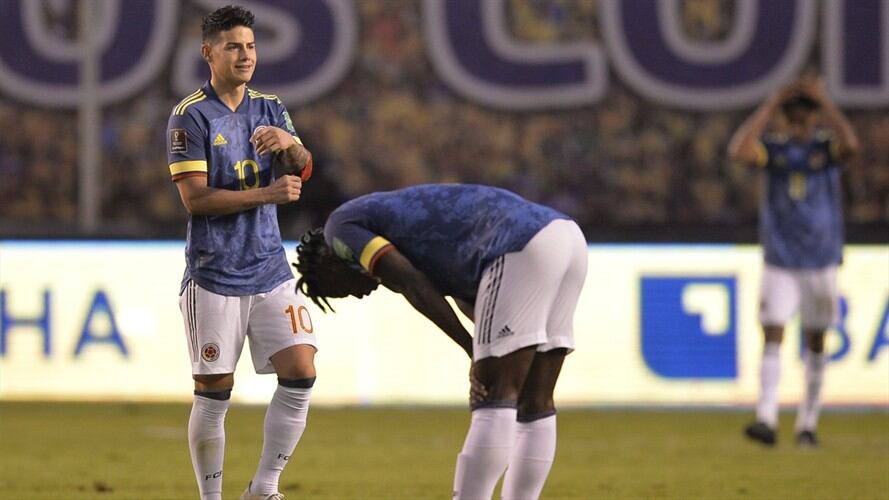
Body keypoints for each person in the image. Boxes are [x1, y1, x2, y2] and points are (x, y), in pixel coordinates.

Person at [294, 183, 588, 499]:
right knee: (535, 399)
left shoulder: (340, 228)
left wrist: (474, 349)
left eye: (340, 290)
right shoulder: (409, 234)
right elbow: (469, 294)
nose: (356, 294)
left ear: (326, 261)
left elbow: (412, 283)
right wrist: (497, 339)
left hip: (518, 244)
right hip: (567, 237)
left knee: (494, 393)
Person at [165, 5, 316, 499]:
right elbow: (196, 198)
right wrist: (267, 195)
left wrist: (290, 142)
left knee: (302, 371)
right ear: (209, 53)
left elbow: (304, 165)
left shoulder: (271, 106)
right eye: (234, 46)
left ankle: (264, 488)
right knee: (215, 393)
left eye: (250, 46)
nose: (246, 55)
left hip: (271, 269)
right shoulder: (190, 116)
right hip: (215, 274)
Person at [728, 76, 860, 447]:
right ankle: (766, 418)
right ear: (784, 120)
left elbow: (852, 146)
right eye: (793, 116)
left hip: (820, 259)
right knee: (772, 332)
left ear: (815, 118)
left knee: (816, 339)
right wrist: (770, 104)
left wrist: (826, 101)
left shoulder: (826, 149)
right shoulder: (773, 150)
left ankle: (807, 424)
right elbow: (738, 152)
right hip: (781, 258)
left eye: (805, 116)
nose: (799, 123)